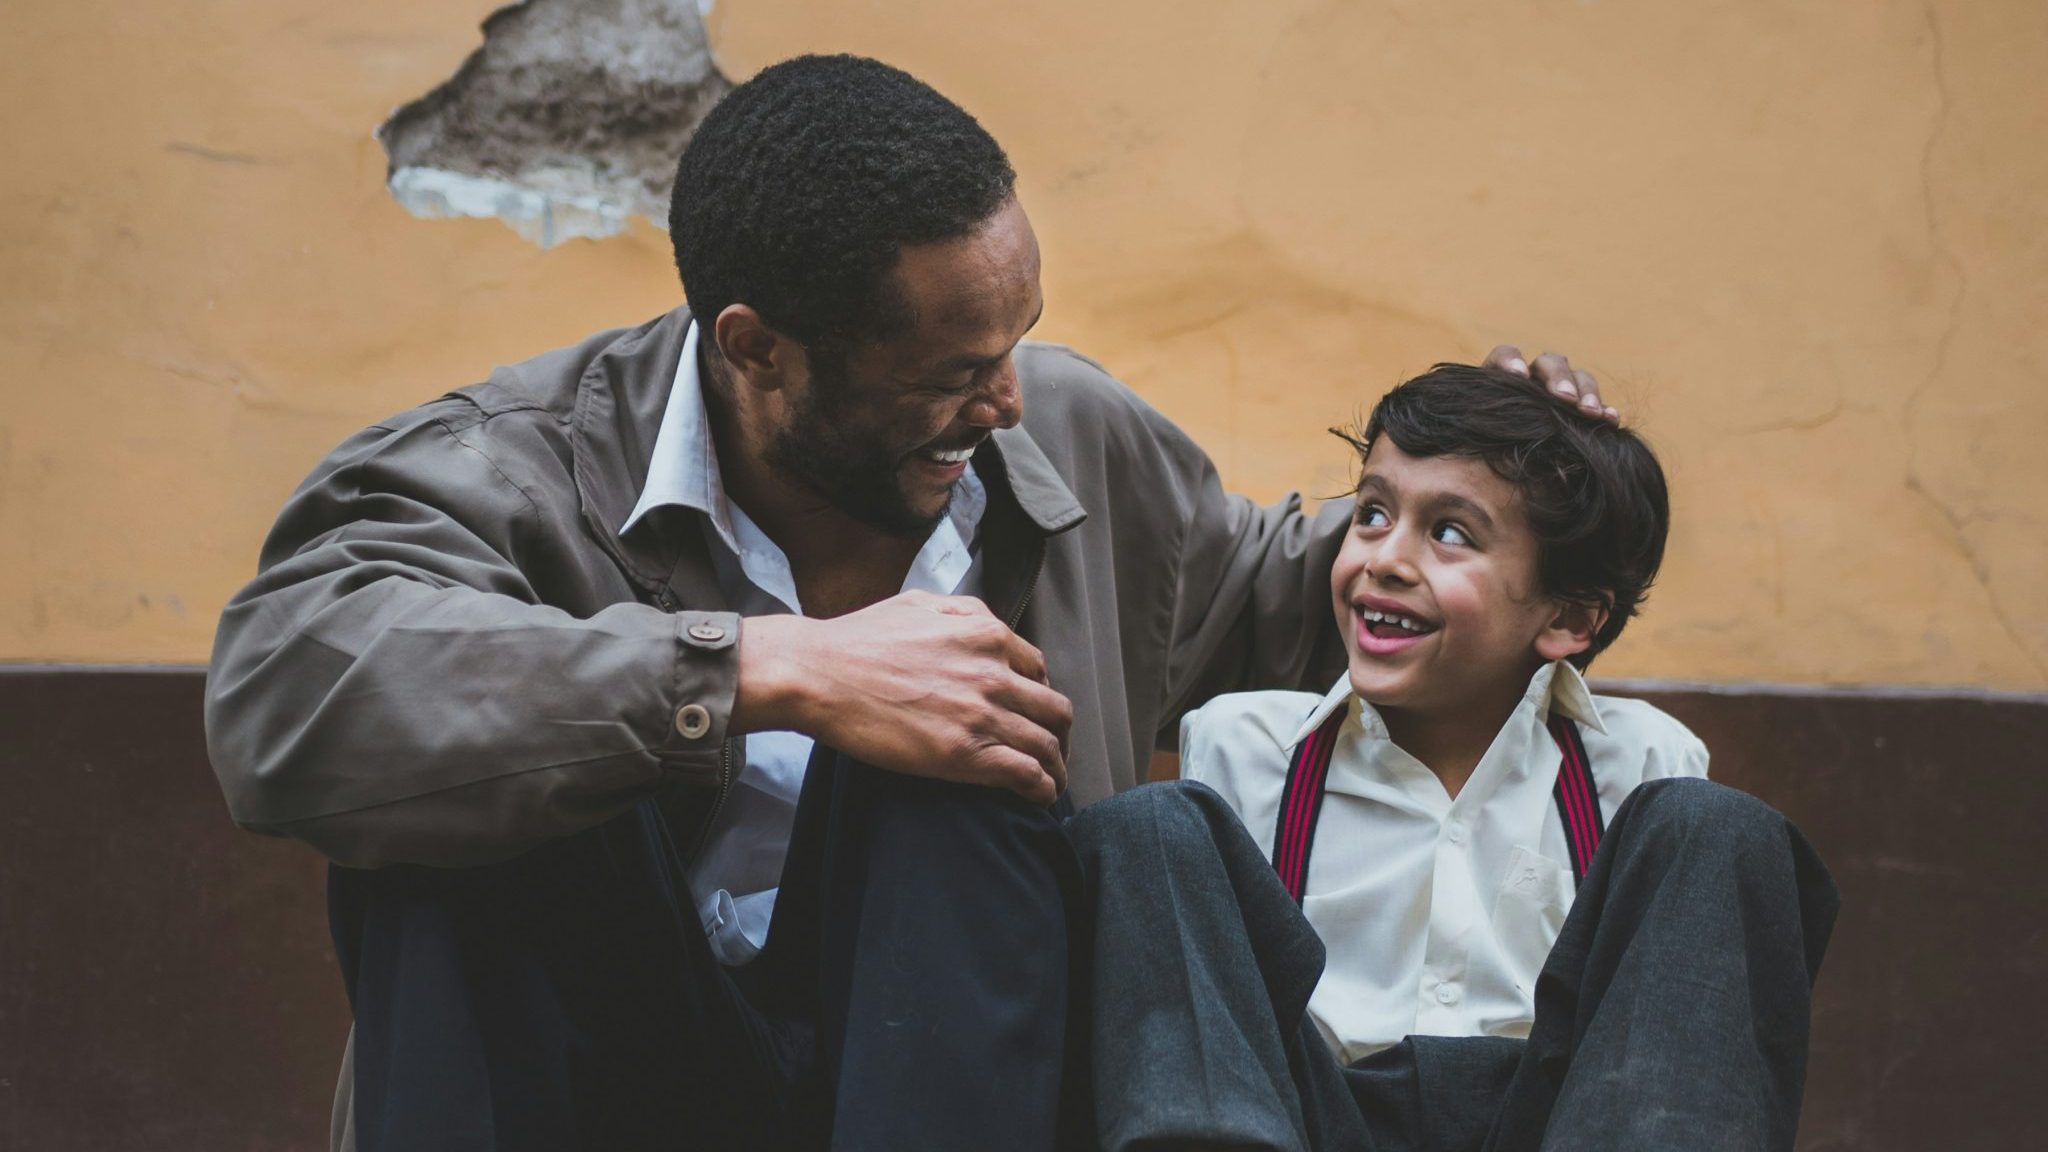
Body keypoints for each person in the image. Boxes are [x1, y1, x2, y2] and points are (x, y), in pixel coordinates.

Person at [205, 56, 1617, 1152]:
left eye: (1017, 344)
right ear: (757, 351)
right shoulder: (502, 470)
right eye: (949, 370)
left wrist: (1500, 511)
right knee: (489, 804)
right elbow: (290, 692)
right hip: (603, 1074)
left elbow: (1283, 599)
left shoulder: (1062, 437)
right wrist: (766, 670)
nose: (1003, 400)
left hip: (971, 1082)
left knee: (968, 737)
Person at [1095, 364, 1838, 1151]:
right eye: (1374, 513)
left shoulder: (1644, 761)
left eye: (1450, 533)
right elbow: (1215, 1030)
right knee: (1150, 823)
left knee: (1715, 827)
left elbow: (1658, 1034)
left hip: (1562, 1126)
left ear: (1570, 619)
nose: (1385, 557)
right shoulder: (1247, 748)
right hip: (1301, 1124)